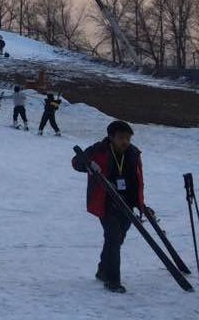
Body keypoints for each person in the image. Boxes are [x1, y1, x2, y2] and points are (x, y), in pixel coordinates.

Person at [71, 121, 145, 293]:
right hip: (107, 202)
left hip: (127, 204)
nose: (125, 142)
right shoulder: (100, 149)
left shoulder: (133, 153)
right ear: (111, 137)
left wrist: (140, 204)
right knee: (113, 239)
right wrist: (88, 166)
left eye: (127, 138)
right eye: (121, 138)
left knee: (117, 240)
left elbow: (138, 180)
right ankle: (113, 280)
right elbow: (76, 162)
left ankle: (103, 271)